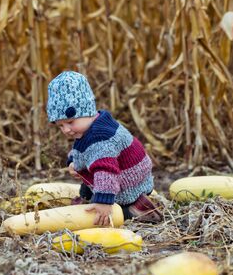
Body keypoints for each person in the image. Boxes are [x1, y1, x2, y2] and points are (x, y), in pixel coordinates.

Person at [46, 71, 163, 226]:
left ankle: (139, 209)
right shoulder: (89, 127)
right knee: (88, 186)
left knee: (116, 212)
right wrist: (73, 161)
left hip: (128, 181)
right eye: (61, 125)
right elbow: (82, 149)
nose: (66, 129)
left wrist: (103, 201)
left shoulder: (101, 137)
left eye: (70, 122)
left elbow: (105, 171)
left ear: (87, 111)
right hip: (121, 173)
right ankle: (89, 198)